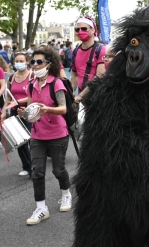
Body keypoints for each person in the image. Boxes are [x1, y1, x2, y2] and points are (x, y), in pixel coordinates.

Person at [18, 47, 70, 225]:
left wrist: (48, 109)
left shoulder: (56, 83)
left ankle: (66, 194)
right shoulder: (32, 85)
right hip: (38, 135)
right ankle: (41, 208)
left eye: (39, 62)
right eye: (33, 62)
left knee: (58, 170)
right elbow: (31, 111)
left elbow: (63, 109)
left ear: (49, 64)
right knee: (37, 172)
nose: (35, 65)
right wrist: (23, 112)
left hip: (58, 134)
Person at [2, 51, 32, 177]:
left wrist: (18, 101)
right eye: (17, 61)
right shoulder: (12, 77)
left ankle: (36, 166)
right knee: (19, 140)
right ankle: (27, 167)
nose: (19, 63)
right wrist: (4, 112)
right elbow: (8, 97)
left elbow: (34, 95)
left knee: (31, 140)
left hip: (29, 111)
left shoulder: (32, 76)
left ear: (27, 62)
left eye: (21, 61)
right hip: (14, 111)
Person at [71, 16, 106, 102]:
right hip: (81, 98)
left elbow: (99, 76)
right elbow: (75, 75)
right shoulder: (75, 51)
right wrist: (71, 93)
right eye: (77, 29)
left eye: (83, 29)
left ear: (93, 30)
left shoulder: (101, 50)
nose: (80, 32)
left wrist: (80, 95)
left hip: (97, 97)